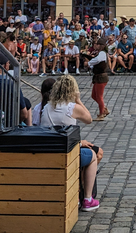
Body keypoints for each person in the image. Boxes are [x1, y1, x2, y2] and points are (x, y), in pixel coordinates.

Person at [39, 76, 101, 211]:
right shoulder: (72, 107)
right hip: (66, 151)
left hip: (49, 150)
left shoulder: (46, 107)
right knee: (92, 155)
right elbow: (89, 119)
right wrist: (78, 100)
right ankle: (88, 198)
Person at [88, 38, 110, 120]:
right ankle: (104, 109)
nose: (95, 45)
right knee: (94, 95)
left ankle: (101, 113)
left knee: (99, 96)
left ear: (101, 46)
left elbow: (97, 60)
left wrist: (89, 63)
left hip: (101, 78)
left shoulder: (102, 53)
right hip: (97, 77)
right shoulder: (100, 53)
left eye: (97, 44)